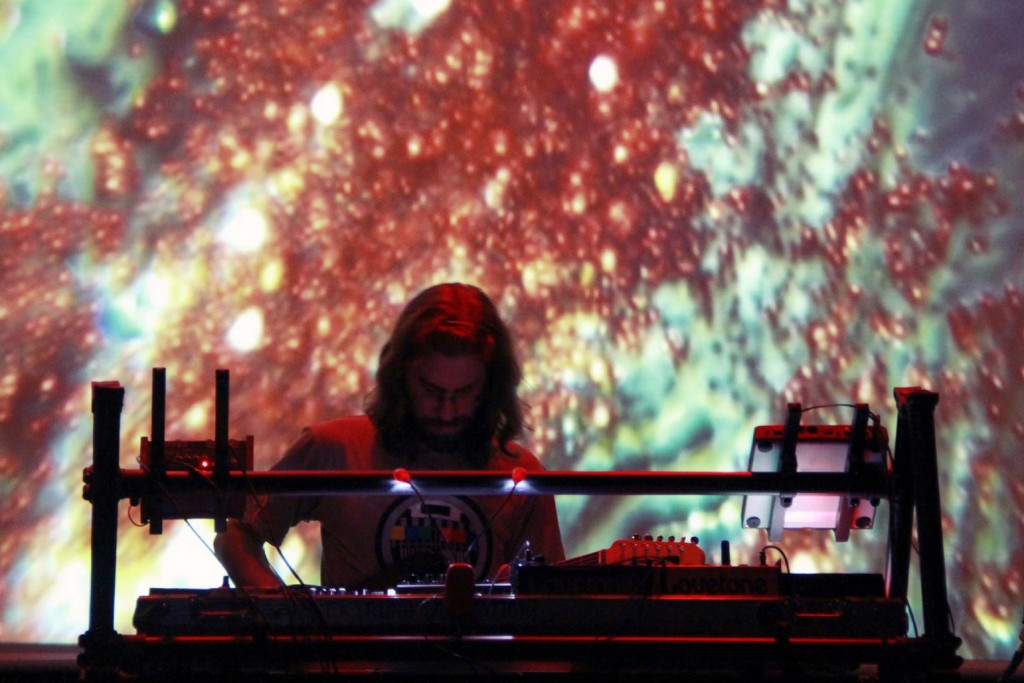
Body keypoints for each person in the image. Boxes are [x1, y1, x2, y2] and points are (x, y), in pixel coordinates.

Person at [214, 282, 564, 590]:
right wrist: (288, 615)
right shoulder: (334, 447)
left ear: (491, 387)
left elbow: (552, 597)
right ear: (399, 376)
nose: (447, 411)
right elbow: (236, 535)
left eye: (465, 392)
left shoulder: (522, 476)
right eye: (431, 390)